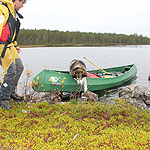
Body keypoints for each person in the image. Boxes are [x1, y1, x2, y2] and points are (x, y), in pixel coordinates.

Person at [0, 0, 27, 109]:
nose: (22, 6)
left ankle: (10, 92)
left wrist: (15, 45)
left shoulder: (13, 13)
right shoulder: (3, 9)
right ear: (16, 1)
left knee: (19, 67)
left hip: (10, 45)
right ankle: (3, 97)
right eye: (22, 3)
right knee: (10, 69)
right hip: (1, 46)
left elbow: (11, 32)